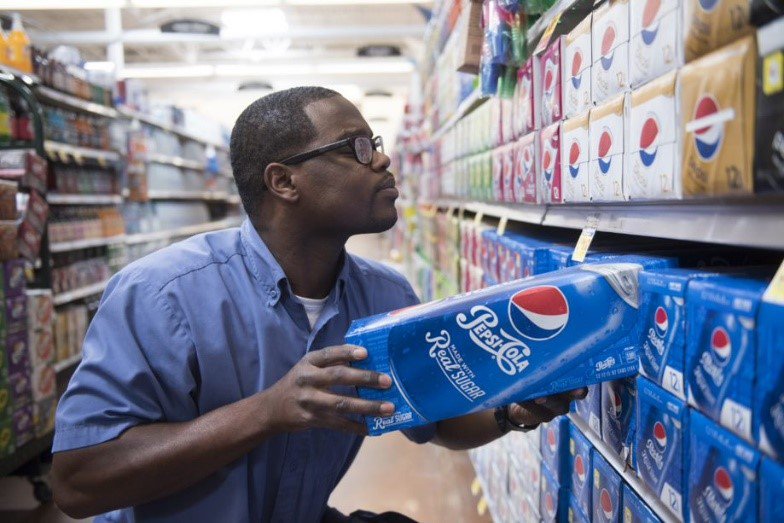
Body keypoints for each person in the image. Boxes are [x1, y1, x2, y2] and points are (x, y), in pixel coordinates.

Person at [50, 87, 585, 522]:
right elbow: (77, 483)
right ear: (284, 181)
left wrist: (508, 411)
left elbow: (438, 422)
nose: (383, 158)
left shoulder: (385, 297)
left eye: (374, 141)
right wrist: (268, 411)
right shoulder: (163, 296)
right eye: (356, 147)